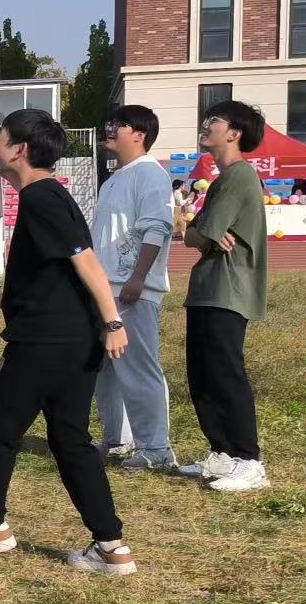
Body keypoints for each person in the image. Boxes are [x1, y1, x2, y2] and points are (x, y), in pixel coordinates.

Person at [0, 109, 136, 575]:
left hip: (45, 343)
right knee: (71, 441)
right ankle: (111, 547)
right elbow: (49, 277)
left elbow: (86, 262)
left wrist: (113, 322)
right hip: (70, 339)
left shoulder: (41, 198)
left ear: (20, 150)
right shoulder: (49, 196)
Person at [180, 100, 272, 493]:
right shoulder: (223, 179)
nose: (206, 125)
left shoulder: (239, 176)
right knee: (202, 373)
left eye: (214, 121)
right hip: (208, 288)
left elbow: (202, 232)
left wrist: (197, 233)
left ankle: (249, 459)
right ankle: (221, 451)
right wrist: (198, 233)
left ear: (234, 133)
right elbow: (194, 235)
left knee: (226, 373)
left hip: (228, 289)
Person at [91, 105, 177, 471]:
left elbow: (157, 227)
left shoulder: (151, 174)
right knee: (106, 370)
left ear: (140, 135)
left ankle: (156, 448)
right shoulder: (114, 178)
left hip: (131, 289)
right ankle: (117, 439)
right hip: (105, 288)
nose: (111, 129)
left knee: (139, 367)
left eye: (120, 125)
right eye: (111, 122)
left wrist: (138, 277)